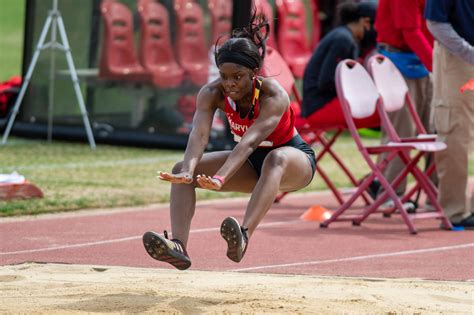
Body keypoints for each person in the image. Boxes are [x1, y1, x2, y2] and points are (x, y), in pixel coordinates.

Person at [142, 12, 317, 270]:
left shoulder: (273, 95)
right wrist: (189, 171)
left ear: (254, 73)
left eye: (238, 77)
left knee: (275, 158)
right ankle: (178, 246)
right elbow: (199, 135)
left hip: (292, 161)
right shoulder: (212, 93)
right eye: (224, 76)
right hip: (250, 165)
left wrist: (221, 178)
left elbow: (249, 142)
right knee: (181, 168)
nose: (230, 84)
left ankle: (243, 235)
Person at [375, 0, 435, 202]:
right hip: (399, 61)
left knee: (435, 129)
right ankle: (391, 193)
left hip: (422, 62)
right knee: (401, 132)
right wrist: (436, 64)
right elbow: (410, 31)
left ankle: (436, 193)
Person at [424, 0, 474, 228]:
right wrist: (468, 52)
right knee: (455, 129)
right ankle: (455, 210)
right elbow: (435, 22)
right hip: (458, 59)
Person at [301, 1, 379, 128]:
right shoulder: (343, 40)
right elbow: (326, 81)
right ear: (364, 22)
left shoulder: (344, 36)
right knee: (383, 108)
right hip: (319, 107)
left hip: (320, 103)